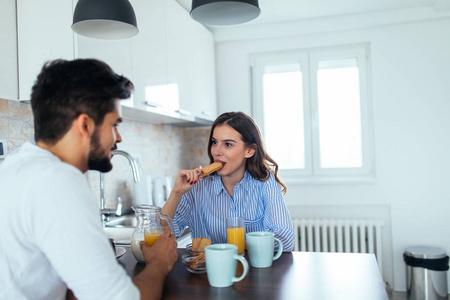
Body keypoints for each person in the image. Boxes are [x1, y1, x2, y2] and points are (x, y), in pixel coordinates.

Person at [0, 59, 178, 300]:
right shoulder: (57, 181)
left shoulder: (16, 166)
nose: (119, 138)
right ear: (85, 124)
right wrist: (159, 264)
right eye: (114, 124)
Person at [162, 111, 295, 251]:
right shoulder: (195, 187)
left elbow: (284, 239)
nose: (217, 152)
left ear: (249, 151)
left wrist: (232, 248)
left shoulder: (265, 183)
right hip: (205, 271)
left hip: (252, 270)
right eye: (214, 142)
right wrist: (176, 193)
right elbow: (162, 237)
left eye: (228, 144)